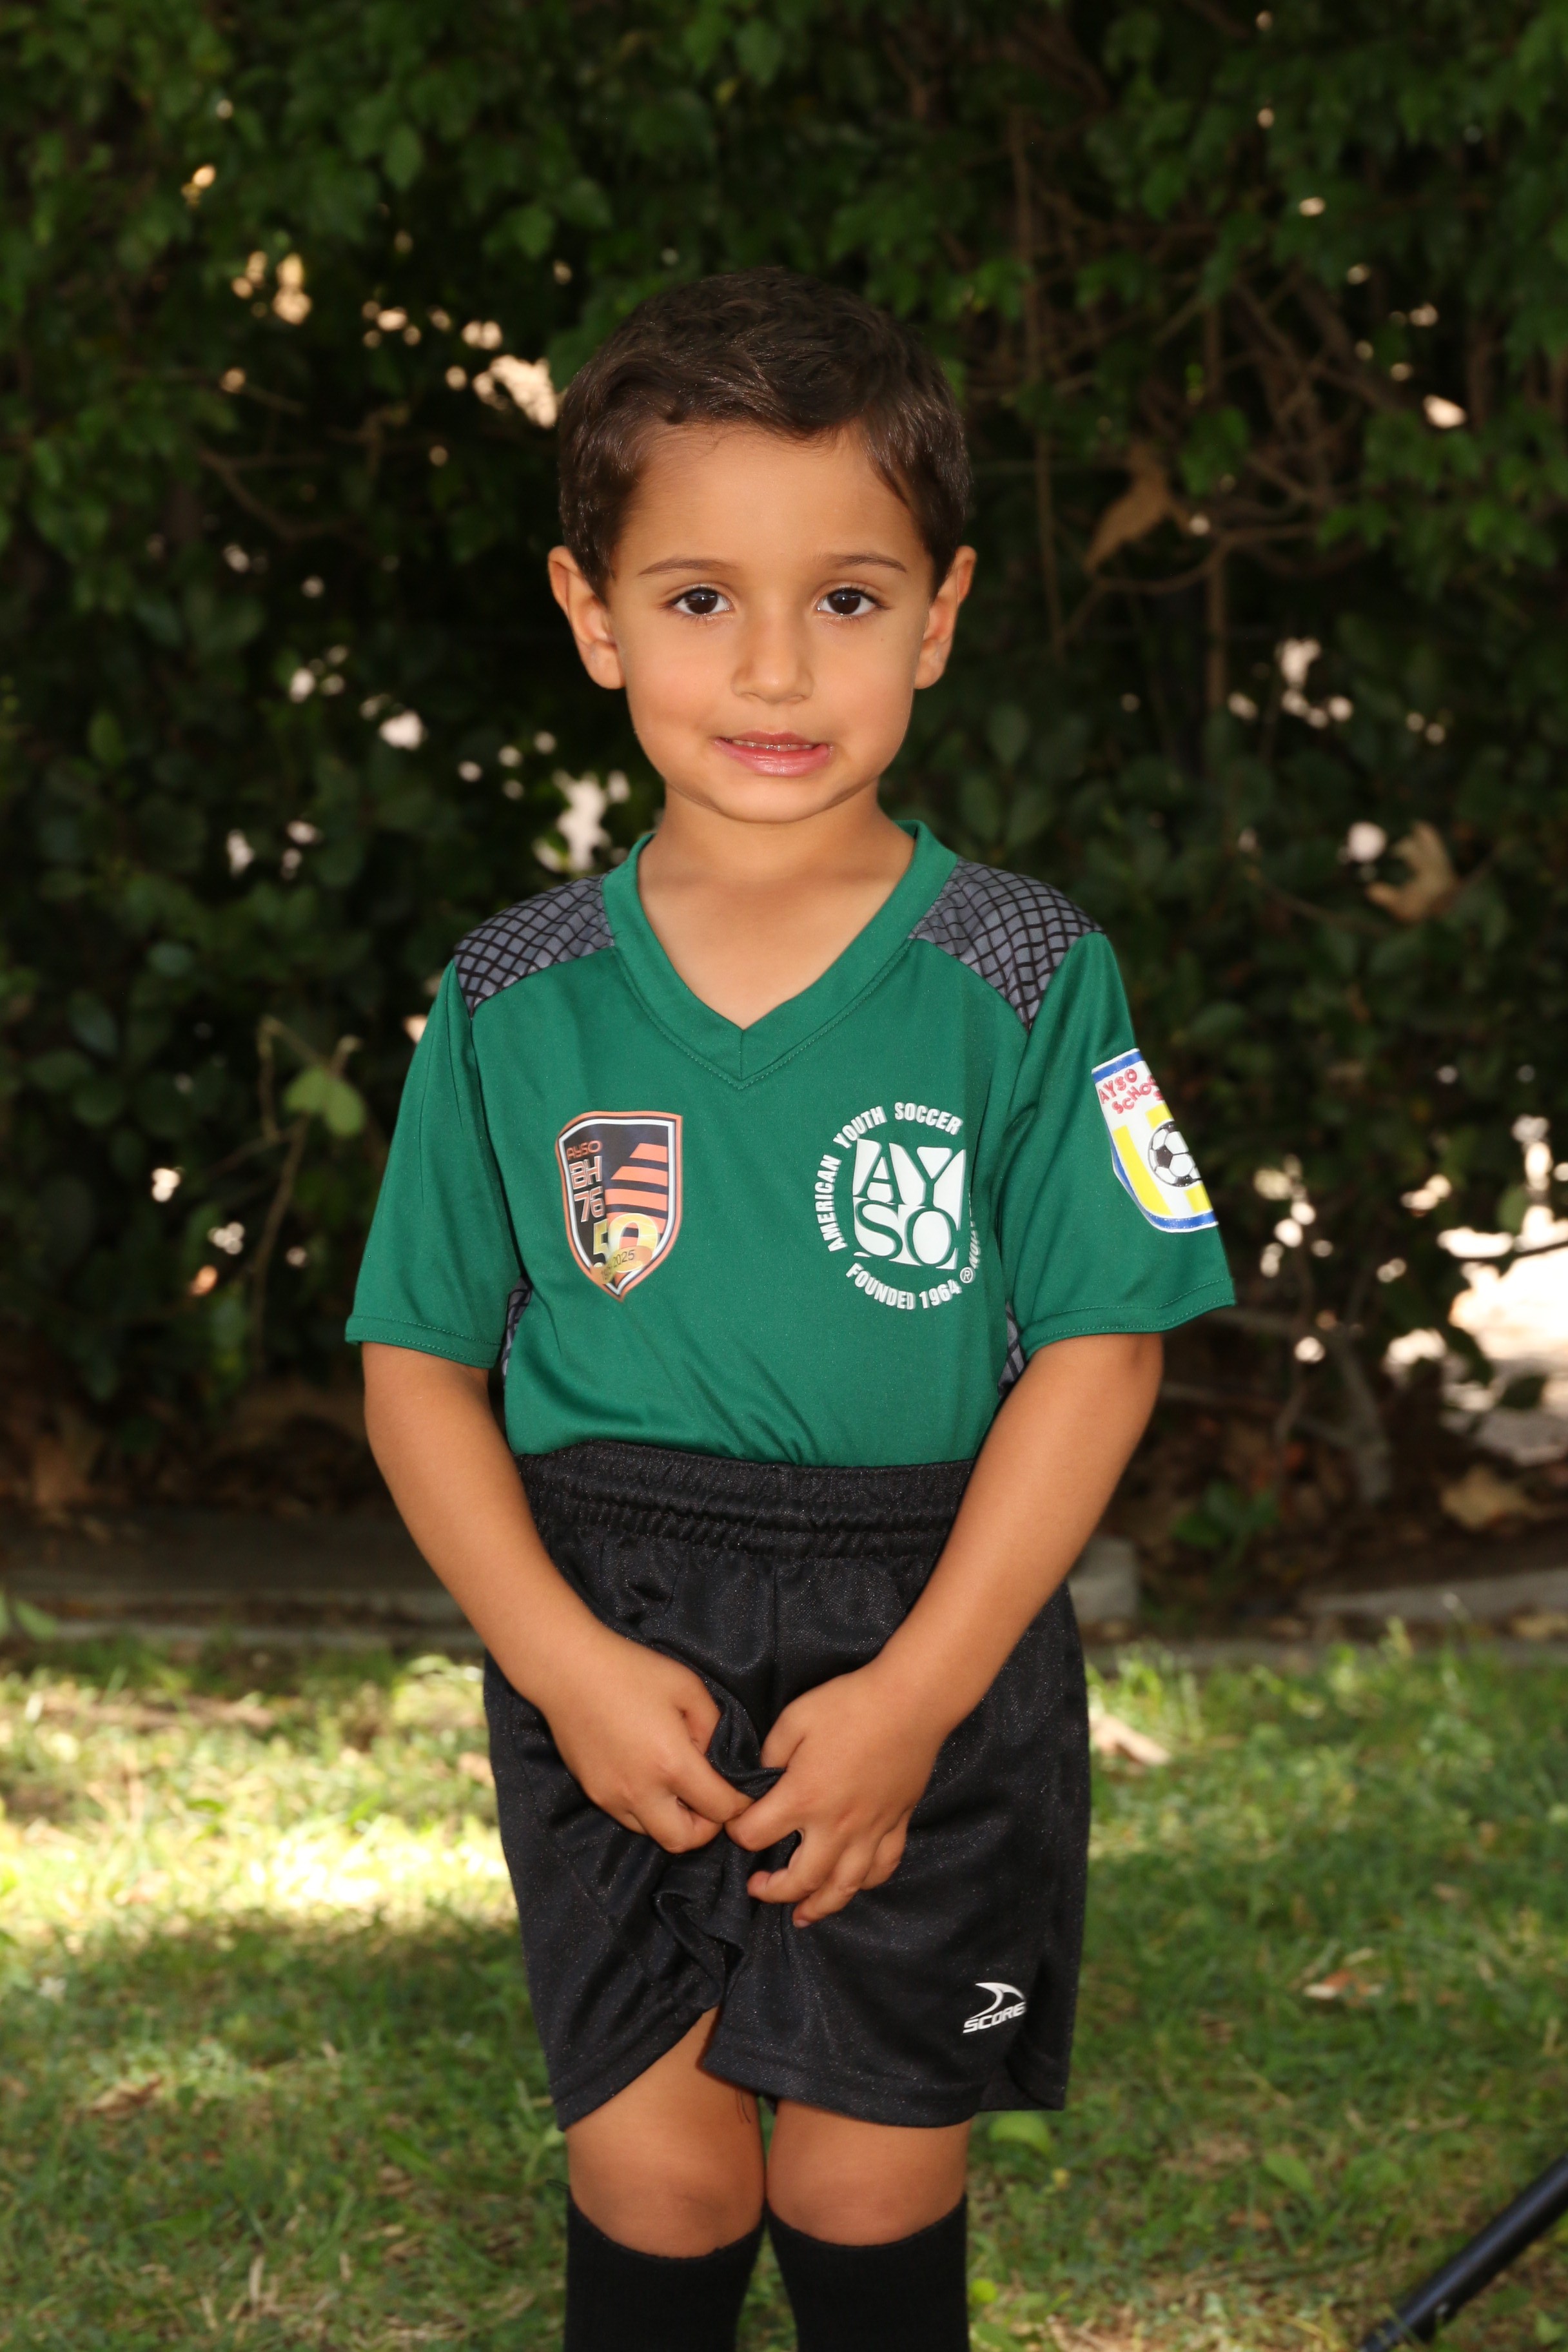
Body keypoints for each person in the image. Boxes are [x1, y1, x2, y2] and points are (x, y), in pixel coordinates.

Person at [348, 267, 1233, 2352]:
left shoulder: (1026, 971)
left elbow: (1104, 1349)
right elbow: (417, 1371)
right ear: (590, 616)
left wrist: (919, 1695)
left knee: (862, 2169)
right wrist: (562, 1661)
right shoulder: (514, 994)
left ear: (940, 615)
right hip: (616, 1624)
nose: (772, 665)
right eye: (696, 598)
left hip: (924, 1611)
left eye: (845, 598)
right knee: (658, 2170)